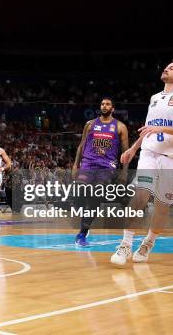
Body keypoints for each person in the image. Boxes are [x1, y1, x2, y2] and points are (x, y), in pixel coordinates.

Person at [111, 59, 173, 266]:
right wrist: (133, 148)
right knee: (140, 195)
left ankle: (148, 243)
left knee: (162, 207)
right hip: (150, 154)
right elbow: (150, 128)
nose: (167, 68)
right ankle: (125, 244)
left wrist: (162, 129)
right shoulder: (155, 98)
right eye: (167, 66)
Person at [71, 98, 129, 246]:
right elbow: (81, 146)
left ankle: (82, 233)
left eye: (108, 104)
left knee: (95, 198)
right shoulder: (90, 124)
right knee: (79, 191)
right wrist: (75, 166)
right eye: (102, 104)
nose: (104, 106)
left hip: (107, 167)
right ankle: (86, 219)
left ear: (113, 108)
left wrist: (124, 172)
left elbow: (126, 153)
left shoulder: (120, 127)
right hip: (88, 164)